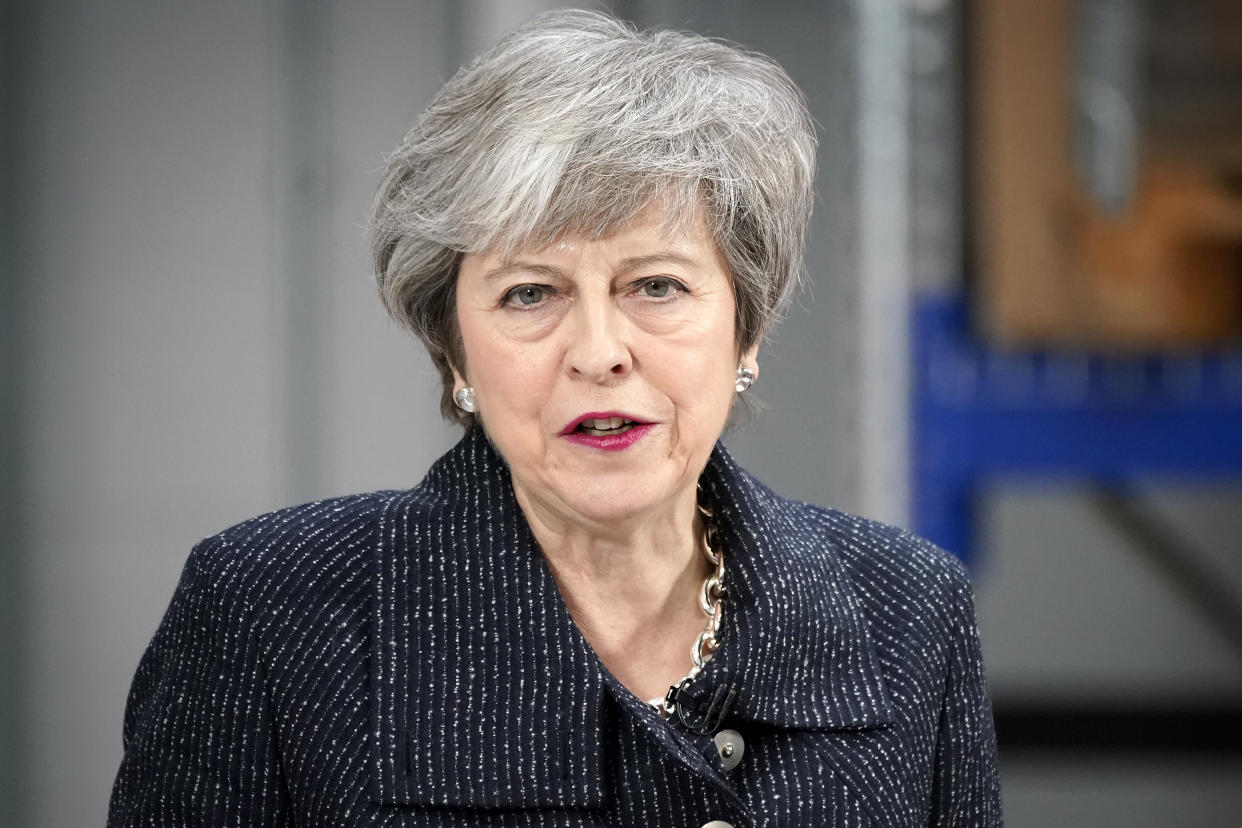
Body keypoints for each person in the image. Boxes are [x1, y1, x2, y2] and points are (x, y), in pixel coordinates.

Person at [109, 9, 1001, 827]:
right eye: (531, 293)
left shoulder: (908, 613)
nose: (599, 351)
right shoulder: (269, 616)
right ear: (454, 350)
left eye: (656, 286)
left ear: (747, 328)